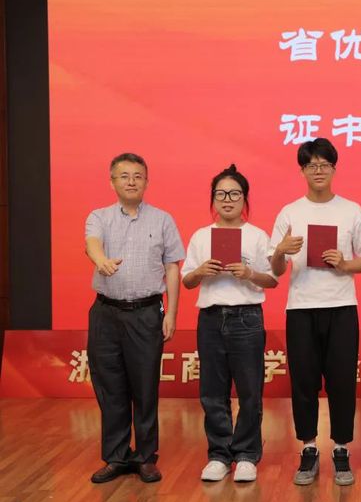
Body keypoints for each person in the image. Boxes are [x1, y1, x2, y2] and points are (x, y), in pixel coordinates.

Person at [269, 138, 361, 486]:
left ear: (334, 169)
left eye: (324, 164)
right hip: (301, 307)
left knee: (342, 380)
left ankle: (341, 448)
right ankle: (309, 448)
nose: (318, 170)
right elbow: (276, 270)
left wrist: (344, 264)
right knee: (303, 381)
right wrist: (281, 251)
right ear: (302, 170)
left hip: (341, 307)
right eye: (311, 165)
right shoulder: (289, 213)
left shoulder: (351, 210)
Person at [84, 152, 185, 483]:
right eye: (124, 175)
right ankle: (116, 457)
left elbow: (172, 267)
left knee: (145, 387)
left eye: (137, 176)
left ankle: (145, 456)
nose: (131, 181)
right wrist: (101, 261)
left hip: (146, 313)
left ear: (146, 181)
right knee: (110, 386)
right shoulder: (99, 217)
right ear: (112, 181)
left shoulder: (162, 220)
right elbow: (91, 243)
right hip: (106, 314)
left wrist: (172, 312)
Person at [181, 164, 277, 483]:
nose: (227, 200)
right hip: (210, 318)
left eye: (234, 194)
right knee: (212, 391)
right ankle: (219, 455)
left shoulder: (257, 235)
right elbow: (187, 281)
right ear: (212, 199)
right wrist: (200, 271)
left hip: (246, 318)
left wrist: (249, 273)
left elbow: (272, 280)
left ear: (245, 199)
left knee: (250, 390)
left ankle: (247, 454)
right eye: (221, 194)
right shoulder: (201, 236)